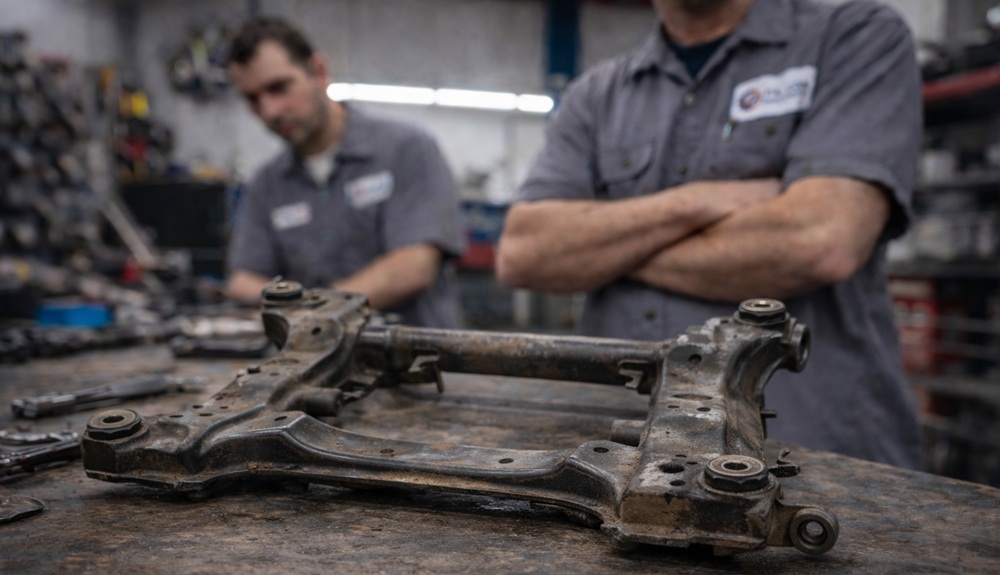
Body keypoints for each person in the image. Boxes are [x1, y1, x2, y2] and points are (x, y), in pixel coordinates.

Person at [496, 0, 924, 469]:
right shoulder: (597, 94)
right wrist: (700, 201)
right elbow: (524, 253)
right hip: (621, 455)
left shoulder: (852, 36)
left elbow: (820, 241)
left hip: (814, 456)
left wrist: (603, 249)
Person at [224, 16, 464, 328]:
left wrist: (310, 312)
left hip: (415, 363)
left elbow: (413, 268)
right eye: (253, 99)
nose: (269, 111)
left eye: (279, 88)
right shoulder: (267, 184)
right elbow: (242, 279)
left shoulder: (406, 149)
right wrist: (306, 313)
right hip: (315, 365)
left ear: (319, 72)